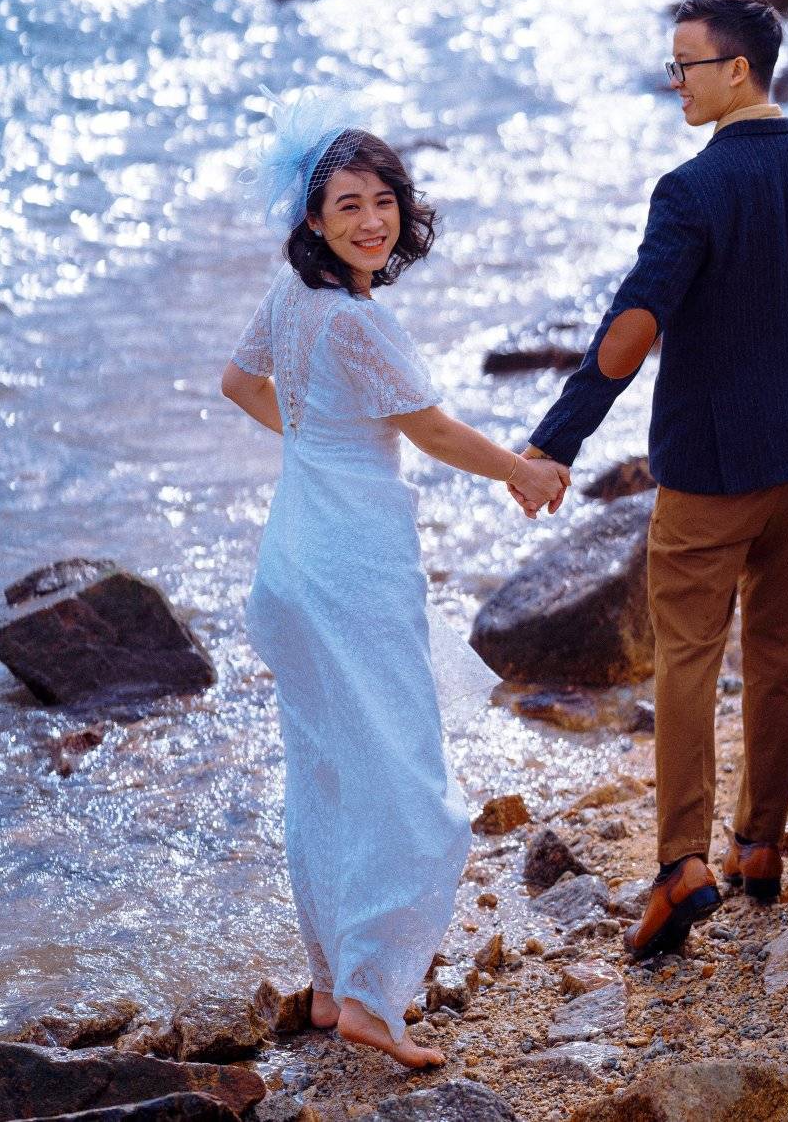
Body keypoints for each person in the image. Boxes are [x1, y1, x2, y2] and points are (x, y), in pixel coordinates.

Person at [518, 0, 788, 960]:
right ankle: (760, 846)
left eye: (683, 66)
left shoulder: (690, 190)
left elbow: (633, 325)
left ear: (736, 70)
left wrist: (556, 442)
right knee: (782, 660)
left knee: (690, 657)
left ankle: (680, 866)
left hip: (710, 473)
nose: (674, 84)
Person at [221, 91, 565, 1067]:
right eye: (348, 206)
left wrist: (317, 441)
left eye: (383, 200)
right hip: (351, 573)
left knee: (327, 773)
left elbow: (239, 384)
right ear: (313, 221)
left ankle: (335, 984)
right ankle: (374, 997)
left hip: (290, 565)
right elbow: (434, 431)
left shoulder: (291, 300)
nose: (372, 221)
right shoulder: (358, 324)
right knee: (411, 792)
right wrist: (526, 472)